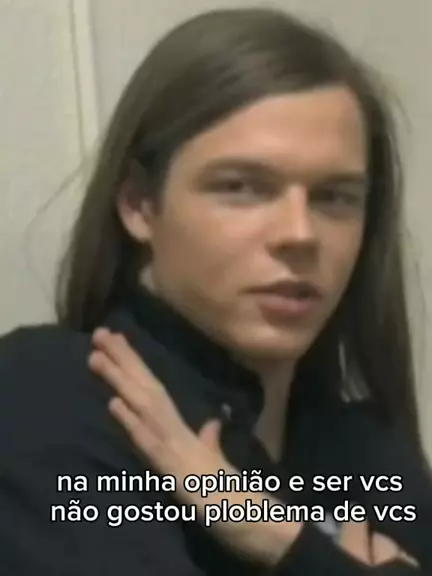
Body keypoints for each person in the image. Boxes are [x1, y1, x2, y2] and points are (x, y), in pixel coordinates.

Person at [0, 7, 431, 575]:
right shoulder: (50, 395)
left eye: (334, 197)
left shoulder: (371, 455)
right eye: (242, 187)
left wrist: (273, 535)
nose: (300, 234)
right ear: (139, 204)